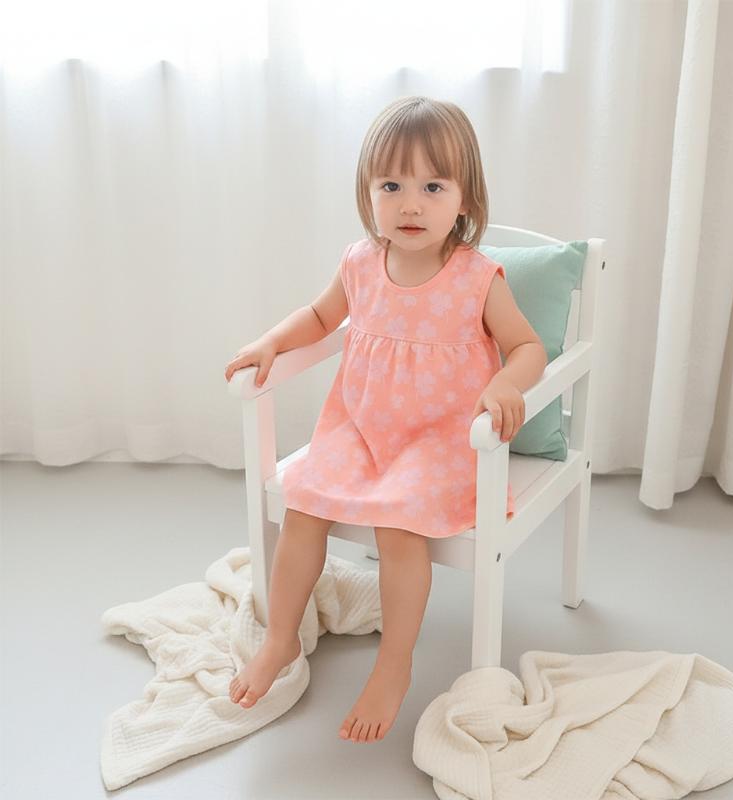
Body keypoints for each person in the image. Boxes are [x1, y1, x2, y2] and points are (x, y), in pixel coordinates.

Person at [223, 96, 547, 744]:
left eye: (433, 187)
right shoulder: (360, 263)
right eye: (391, 186)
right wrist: (271, 342)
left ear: (464, 198)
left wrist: (506, 383)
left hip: (440, 438)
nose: (410, 205)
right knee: (303, 505)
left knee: (399, 528)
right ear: (368, 193)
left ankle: (394, 665)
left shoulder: (476, 277)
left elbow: (528, 347)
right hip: (361, 429)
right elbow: (321, 318)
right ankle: (281, 637)